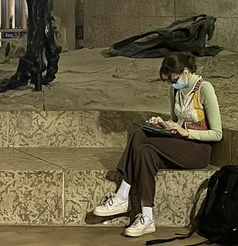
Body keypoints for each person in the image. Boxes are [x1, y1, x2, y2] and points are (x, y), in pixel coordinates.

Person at [92, 52, 223, 238]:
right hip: (179, 143)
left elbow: (217, 134)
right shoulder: (175, 90)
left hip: (198, 150)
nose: (172, 83)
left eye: (174, 79)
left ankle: (122, 194)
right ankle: (147, 217)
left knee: (142, 138)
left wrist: (188, 132)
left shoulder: (205, 89)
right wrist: (165, 125)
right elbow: (176, 120)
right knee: (144, 146)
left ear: (185, 72)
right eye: (169, 81)